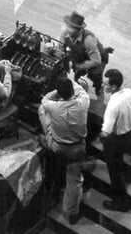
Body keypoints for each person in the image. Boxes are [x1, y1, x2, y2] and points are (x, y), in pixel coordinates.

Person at [38, 76, 90, 225]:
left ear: (60, 93)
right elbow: (80, 90)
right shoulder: (83, 102)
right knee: (74, 180)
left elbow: (44, 100)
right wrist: (70, 82)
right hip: (77, 148)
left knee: (41, 111)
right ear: (72, 91)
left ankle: (46, 138)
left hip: (57, 145)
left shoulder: (52, 106)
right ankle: (70, 213)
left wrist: (57, 90)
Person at [100, 68, 131, 212]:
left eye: (105, 84)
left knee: (114, 171)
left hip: (118, 140)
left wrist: (102, 139)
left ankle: (121, 202)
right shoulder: (130, 93)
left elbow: (105, 132)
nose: (103, 86)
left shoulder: (113, 104)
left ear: (114, 87)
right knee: (119, 163)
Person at [61, 11, 105, 95]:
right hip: (80, 55)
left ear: (79, 29)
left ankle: (98, 87)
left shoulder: (88, 40)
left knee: (95, 74)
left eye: (72, 28)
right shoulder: (65, 34)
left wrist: (81, 66)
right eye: (68, 26)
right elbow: (61, 48)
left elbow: (97, 60)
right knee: (72, 68)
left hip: (97, 57)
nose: (68, 30)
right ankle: (76, 80)